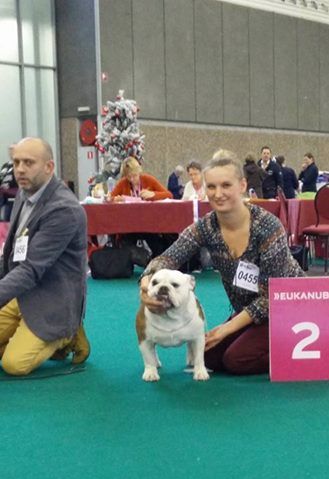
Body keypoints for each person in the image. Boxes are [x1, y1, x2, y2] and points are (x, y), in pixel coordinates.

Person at [140, 149, 304, 375]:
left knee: (236, 360)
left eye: (226, 185)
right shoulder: (206, 227)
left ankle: (292, 349)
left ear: (242, 185)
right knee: (208, 355)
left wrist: (226, 329)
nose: (218, 194)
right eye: (211, 187)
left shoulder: (268, 227)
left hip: (287, 307)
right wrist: (146, 284)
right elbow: (169, 257)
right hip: (248, 311)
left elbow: (270, 298)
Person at [0, 137, 89, 376]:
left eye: (28, 163)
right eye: (16, 162)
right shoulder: (25, 192)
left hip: (53, 297)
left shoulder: (63, 210)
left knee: (14, 365)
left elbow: (30, 269)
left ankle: (67, 334)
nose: (20, 169)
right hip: (23, 292)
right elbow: (11, 254)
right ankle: (27, 332)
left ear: (49, 167)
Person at [111, 157, 173, 258]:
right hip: (130, 224)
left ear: (139, 172)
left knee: (156, 243)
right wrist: (117, 199)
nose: (132, 179)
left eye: (134, 176)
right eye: (129, 177)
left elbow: (169, 195)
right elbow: (111, 197)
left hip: (149, 223)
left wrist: (153, 194)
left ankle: (155, 259)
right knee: (125, 243)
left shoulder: (148, 179)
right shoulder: (123, 183)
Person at [0, 144, 18, 221]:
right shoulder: (5, 165)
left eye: (13, 150)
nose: (11, 152)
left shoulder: (19, 165)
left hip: (13, 197)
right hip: (3, 196)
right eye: (10, 150)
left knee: (10, 219)